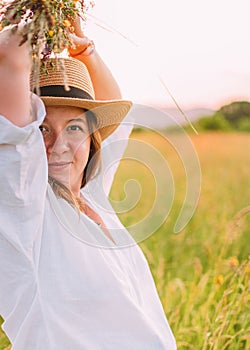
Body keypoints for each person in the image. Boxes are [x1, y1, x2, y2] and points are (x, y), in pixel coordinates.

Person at [0, 20, 177, 350]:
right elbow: (8, 59)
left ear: (92, 138)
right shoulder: (24, 208)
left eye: (75, 128)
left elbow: (115, 114)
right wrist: (32, 18)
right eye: (42, 129)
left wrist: (84, 50)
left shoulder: (93, 196)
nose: (60, 145)